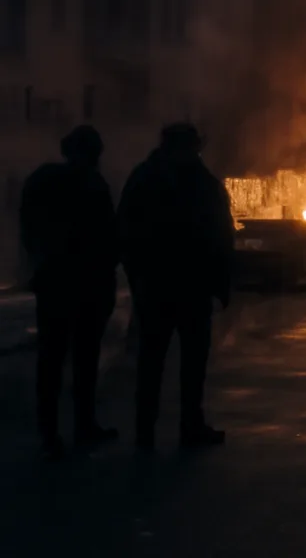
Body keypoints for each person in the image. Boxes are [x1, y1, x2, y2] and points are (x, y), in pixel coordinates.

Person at [119, 123, 234, 450]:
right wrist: (220, 283)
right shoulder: (201, 184)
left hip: (164, 289)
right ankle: (183, 428)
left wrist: (138, 279)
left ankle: (155, 432)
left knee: (159, 363)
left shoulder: (144, 178)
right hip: (186, 288)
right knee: (178, 363)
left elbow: (125, 231)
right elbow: (221, 236)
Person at [19, 126, 119, 458]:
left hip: (55, 283)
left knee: (51, 360)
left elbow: (29, 230)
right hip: (86, 285)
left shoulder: (42, 181)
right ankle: (83, 425)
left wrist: (38, 266)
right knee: (83, 360)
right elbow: (108, 236)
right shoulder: (92, 185)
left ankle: (51, 433)